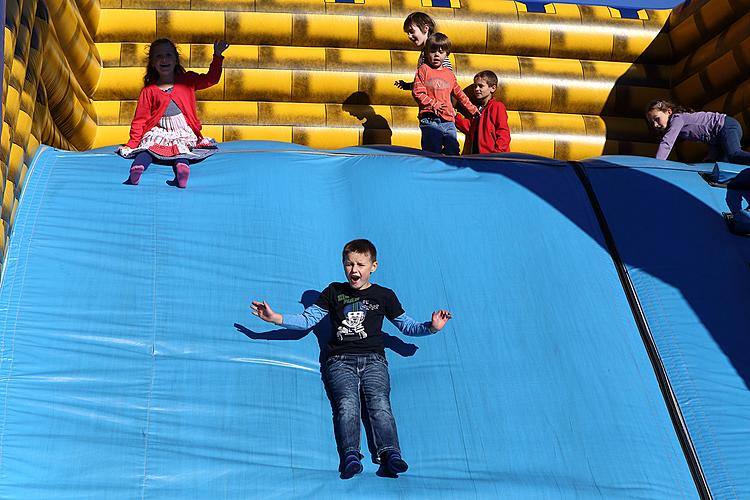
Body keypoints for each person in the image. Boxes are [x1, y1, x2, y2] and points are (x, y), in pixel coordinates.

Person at [251, 239, 452, 479]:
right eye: (348, 264)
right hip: (340, 361)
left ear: (373, 266)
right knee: (347, 404)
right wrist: (276, 318)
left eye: (360, 264)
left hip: (374, 360)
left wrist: (431, 326)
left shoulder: (384, 296)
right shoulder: (333, 292)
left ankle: (391, 454)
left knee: (380, 403)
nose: (354, 270)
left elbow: (406, 326)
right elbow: (307, 320)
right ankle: (350, 456)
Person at [117, 38, 230, 188]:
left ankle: (182, 170)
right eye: (158, 56)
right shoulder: (149, 91)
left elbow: (211, 79)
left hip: (182, 129)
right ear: (152, 62)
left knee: (181, 149)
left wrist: (217, 56)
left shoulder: (187, 81)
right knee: (147, 147)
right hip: (159, 129)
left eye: (168, 55)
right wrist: (132, 143)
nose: (164, 59)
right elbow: (140, 120)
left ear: (176, 60)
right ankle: (137, 168)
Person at [412, 33, 478, 155]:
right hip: (430, 119)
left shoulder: (449, 74)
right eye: (432, 51)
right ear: (426, 53)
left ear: (446, 54)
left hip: (448, 120)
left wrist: (472, 109)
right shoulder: (423, 70)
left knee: (453, 149)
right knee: (432, 150)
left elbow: (459, 94)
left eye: (441, 52)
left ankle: (451, 172)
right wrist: (433, 103)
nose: (436, 54)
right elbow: (417, 92)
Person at [645, 99, 750, 164]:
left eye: (657, 118)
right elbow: (710, 136)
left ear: (668, 112)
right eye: (651, 122)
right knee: (716, 165)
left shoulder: (677, 118)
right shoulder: (678, 123)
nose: (655, 124)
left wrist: (657, 164)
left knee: (734, 155)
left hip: (726, 126)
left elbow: (667, 142)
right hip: (718, 138)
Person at [455, 70, 511, 155]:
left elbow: (503, 132)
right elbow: (470, 128)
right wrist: (454, 116)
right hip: (477, 156)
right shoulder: (477, 109)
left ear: (493, 88)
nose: (477, 89)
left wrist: (498, 153)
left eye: (481, 86)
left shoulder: (497, 107)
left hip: (492, 156)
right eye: (475, 86)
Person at [393, 12, 452, 91]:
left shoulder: (435, 49)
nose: (409, 36)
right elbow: (424, 82)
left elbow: (447, 76)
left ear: (425, 28)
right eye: (408, 33)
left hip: (439, 101)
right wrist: (407, 85)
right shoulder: (425, 52)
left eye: (412, 31)